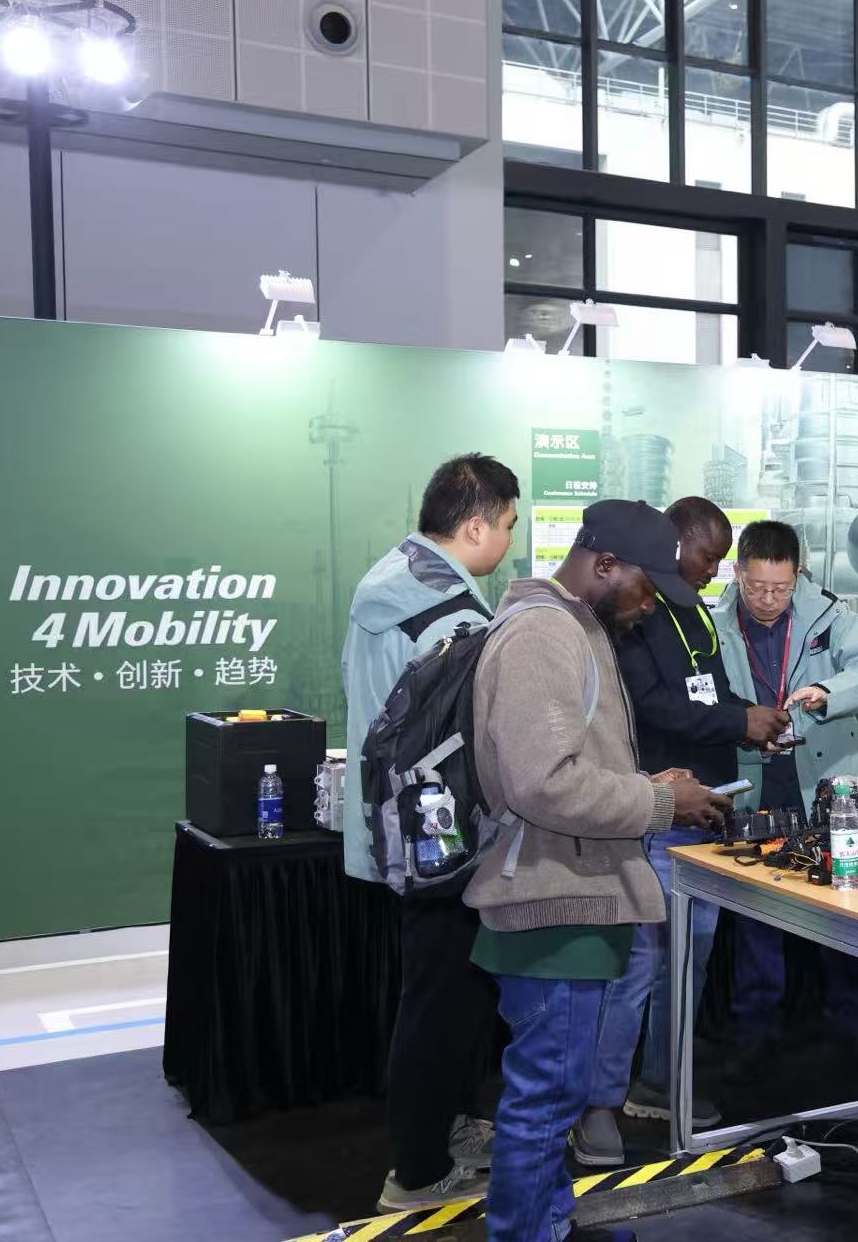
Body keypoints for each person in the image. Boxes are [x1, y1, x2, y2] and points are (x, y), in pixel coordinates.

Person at [465, 499, 730, 1242]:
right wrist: (657, 801)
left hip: (574, 892)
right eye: (647, 589)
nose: (651, 607)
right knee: (544, 1099)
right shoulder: (542, 634)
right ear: (604, 565)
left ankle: (549, 1222)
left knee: (555, 1096)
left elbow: (571, 765)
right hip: (554, 902)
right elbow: (543, 783)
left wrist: (648, 783)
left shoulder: (575, 627)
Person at [576, 498, 790, 1164]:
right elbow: (647, 707)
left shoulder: (694, 611)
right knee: (637, 965)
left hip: (707, 815)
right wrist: (735, 722)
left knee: (688, 961)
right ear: (675, 543)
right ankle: (597, 1105)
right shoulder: (634, 609)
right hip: (655, 811)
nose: (713, 569)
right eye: (708, 556)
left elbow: (708, 693)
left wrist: (750, 717)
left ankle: (661, 1080)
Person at [341, 453, 518, 1212]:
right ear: (474, 527)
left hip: (392, 825)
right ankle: (416, 1172)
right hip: (441, 839)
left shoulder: (387, 582)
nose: (508, 540)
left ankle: (445, 1126)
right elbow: (476, 739)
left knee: (444, 992)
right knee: (440, 1002)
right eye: (507, 525)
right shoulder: (453, 617)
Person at [712, 521, 858, 1047]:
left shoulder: (830, 616)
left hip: (825, 779)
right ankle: (756, 1033)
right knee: (757, 906)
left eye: (781, 588)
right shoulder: (714, 625)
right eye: (757, 587)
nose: (768, 600)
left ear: (798, 576)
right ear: (738, 573)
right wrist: (743, 727)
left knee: (843, 897)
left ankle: (852, 1029)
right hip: (756, 781)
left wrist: (827, 692)